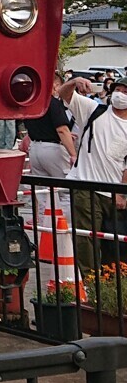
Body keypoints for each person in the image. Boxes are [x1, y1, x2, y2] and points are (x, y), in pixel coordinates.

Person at [57, 74, 127, 272]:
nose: (120, 95)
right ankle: (89, 281)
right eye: (118, 90)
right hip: (85, 184)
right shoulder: (94, 110)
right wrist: (73, 82)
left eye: (125, 91)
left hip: (112, 190)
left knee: (113, 242)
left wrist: (121, 192)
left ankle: (111, 281)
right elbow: (63, 94)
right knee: (85, 238)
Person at [24, 73, 76, 178]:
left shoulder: (31, 103)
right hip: (53, 149)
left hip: (34, 148)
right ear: (56, 85)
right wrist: (73, 154)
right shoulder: (53, 103)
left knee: (42, 188)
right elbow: (62, 129)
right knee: (65, 189)